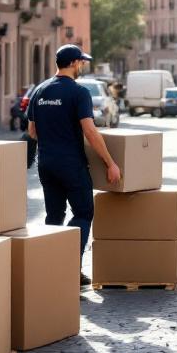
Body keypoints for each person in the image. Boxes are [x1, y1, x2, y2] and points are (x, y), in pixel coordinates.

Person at [27, 44, 121, 284]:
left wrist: (53, 135)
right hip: (70, 163)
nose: (82, 66)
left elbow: (32, 131)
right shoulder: (79, 92)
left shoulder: (40, 90)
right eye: (81, 62)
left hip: (46, 163)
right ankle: (70, 267)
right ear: (74, 63)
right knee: (83, 212)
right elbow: (90, 131)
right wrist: (110, 163)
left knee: (54, 215)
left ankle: (50, 268)